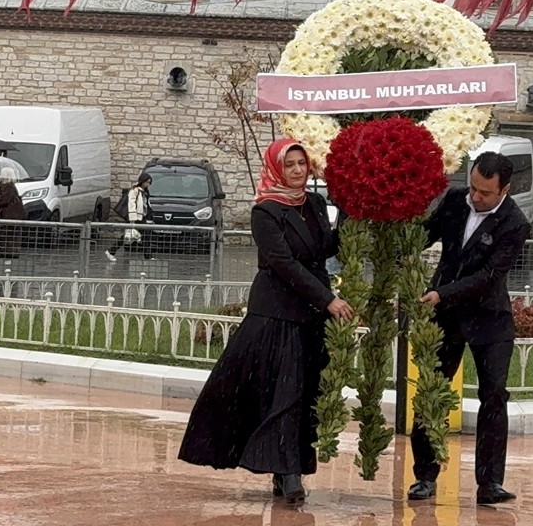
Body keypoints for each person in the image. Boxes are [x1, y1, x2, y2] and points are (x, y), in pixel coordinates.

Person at [177, 139, 353, 505]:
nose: (297, 171)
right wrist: (328, 299)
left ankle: (283, 467)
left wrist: (354, 203)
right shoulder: (266, 211)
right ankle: (290, 476)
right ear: (276, 168)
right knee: (284, 391)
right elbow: (284, 263)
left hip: (311, 315)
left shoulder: (316, 204)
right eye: (289, 164)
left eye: (302, 163)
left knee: (302, 393)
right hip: (277, 313)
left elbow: (326, 247)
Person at [409, 151, 532, 505]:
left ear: (504, 190)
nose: (476, 197)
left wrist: (441, 293)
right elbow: (425, 235)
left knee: (494, 395)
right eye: (474, 188)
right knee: (432, 390)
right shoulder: (453, 200)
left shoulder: (515, 223)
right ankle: (424, 476)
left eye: (485, 193)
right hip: (444, 316)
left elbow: (489, 276)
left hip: (488, 316)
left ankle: (489, 482)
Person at [105, 173, 154, 262]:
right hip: (135, 218)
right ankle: (111, 251)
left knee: (139, 236)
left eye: (149, 183)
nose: (148, 184)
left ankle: (111, 251)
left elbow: (146, 205)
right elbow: (131, 204)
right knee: (129, 237)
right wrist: (132, 219)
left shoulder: (144, 192)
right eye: (147, 182)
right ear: (142, 181)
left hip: (141, 218)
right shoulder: (135, 191)